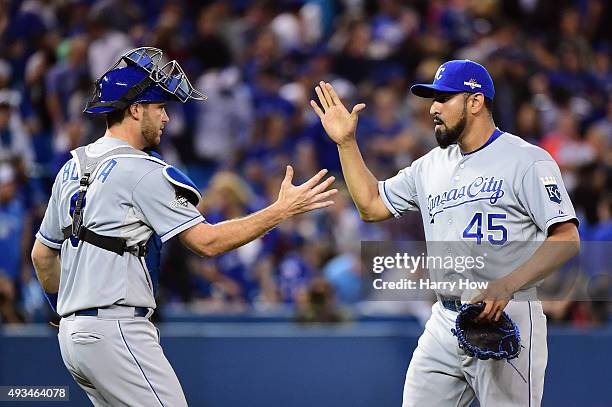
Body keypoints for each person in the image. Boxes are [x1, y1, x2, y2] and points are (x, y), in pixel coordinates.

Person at [31, 47, 337, 406]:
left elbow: (42, 255)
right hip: (116, 329)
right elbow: (206, 243)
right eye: (160, 108)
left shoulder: (72, 166)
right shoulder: (140, 170)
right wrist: (281, 210)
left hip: (73, 334)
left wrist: (66, 307)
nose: (166, 119)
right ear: (135, 109)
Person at [310, 59, 580, 406]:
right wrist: (346, 142)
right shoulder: (429, 165)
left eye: (444, 98)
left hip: (506, 315)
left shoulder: (527, 160)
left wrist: (508, 283)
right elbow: (371, 204)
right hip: (444, 318)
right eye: (432, 99)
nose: (433, 109)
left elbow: (566, 238)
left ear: (475, 102)